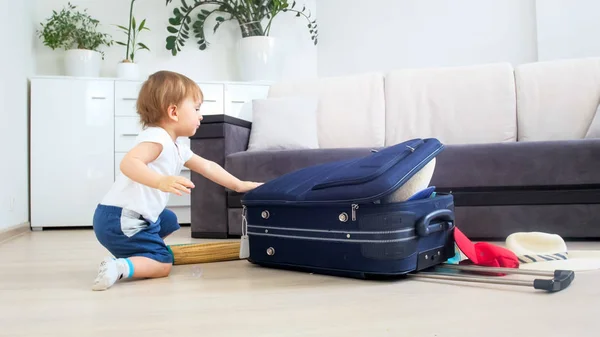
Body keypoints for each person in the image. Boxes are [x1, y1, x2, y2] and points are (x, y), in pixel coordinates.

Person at [91, 70, 262, 291]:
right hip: (122, 219)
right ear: (173, 111)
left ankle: (142, 251)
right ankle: (121, 266)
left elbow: (208, 166)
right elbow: (129, 163)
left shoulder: (176, 147)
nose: (201, 115)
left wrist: (240, 185)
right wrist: (160, 181)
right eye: (197, 108)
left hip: (120, 216)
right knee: (164, 263)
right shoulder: (157, 138)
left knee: (169, 219)